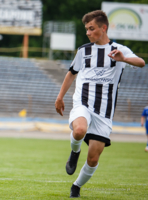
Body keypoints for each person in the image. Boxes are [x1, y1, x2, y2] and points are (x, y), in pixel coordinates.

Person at [55, 10, 145, 198]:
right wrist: (60, 97)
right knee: (79, 130)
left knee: (93, 158)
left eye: (91, 28)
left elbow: (141, 62)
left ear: (103, 28)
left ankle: (76, 186)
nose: (88, 32)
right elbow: (71, 72)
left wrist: (124, 59)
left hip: (104, 112)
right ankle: (74, 151)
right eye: (86, 29)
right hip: (83, 103)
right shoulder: (83, 51)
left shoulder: (119, 49)